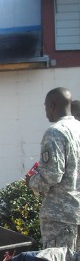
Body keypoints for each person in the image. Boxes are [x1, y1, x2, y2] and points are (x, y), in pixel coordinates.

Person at [26, 87, 80, 252]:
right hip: (77, 212)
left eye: (45, 106)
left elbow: (52, 175)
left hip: (60, 216)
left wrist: (32, 181)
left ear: (52, 105)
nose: (46, 112)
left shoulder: (55, 132)